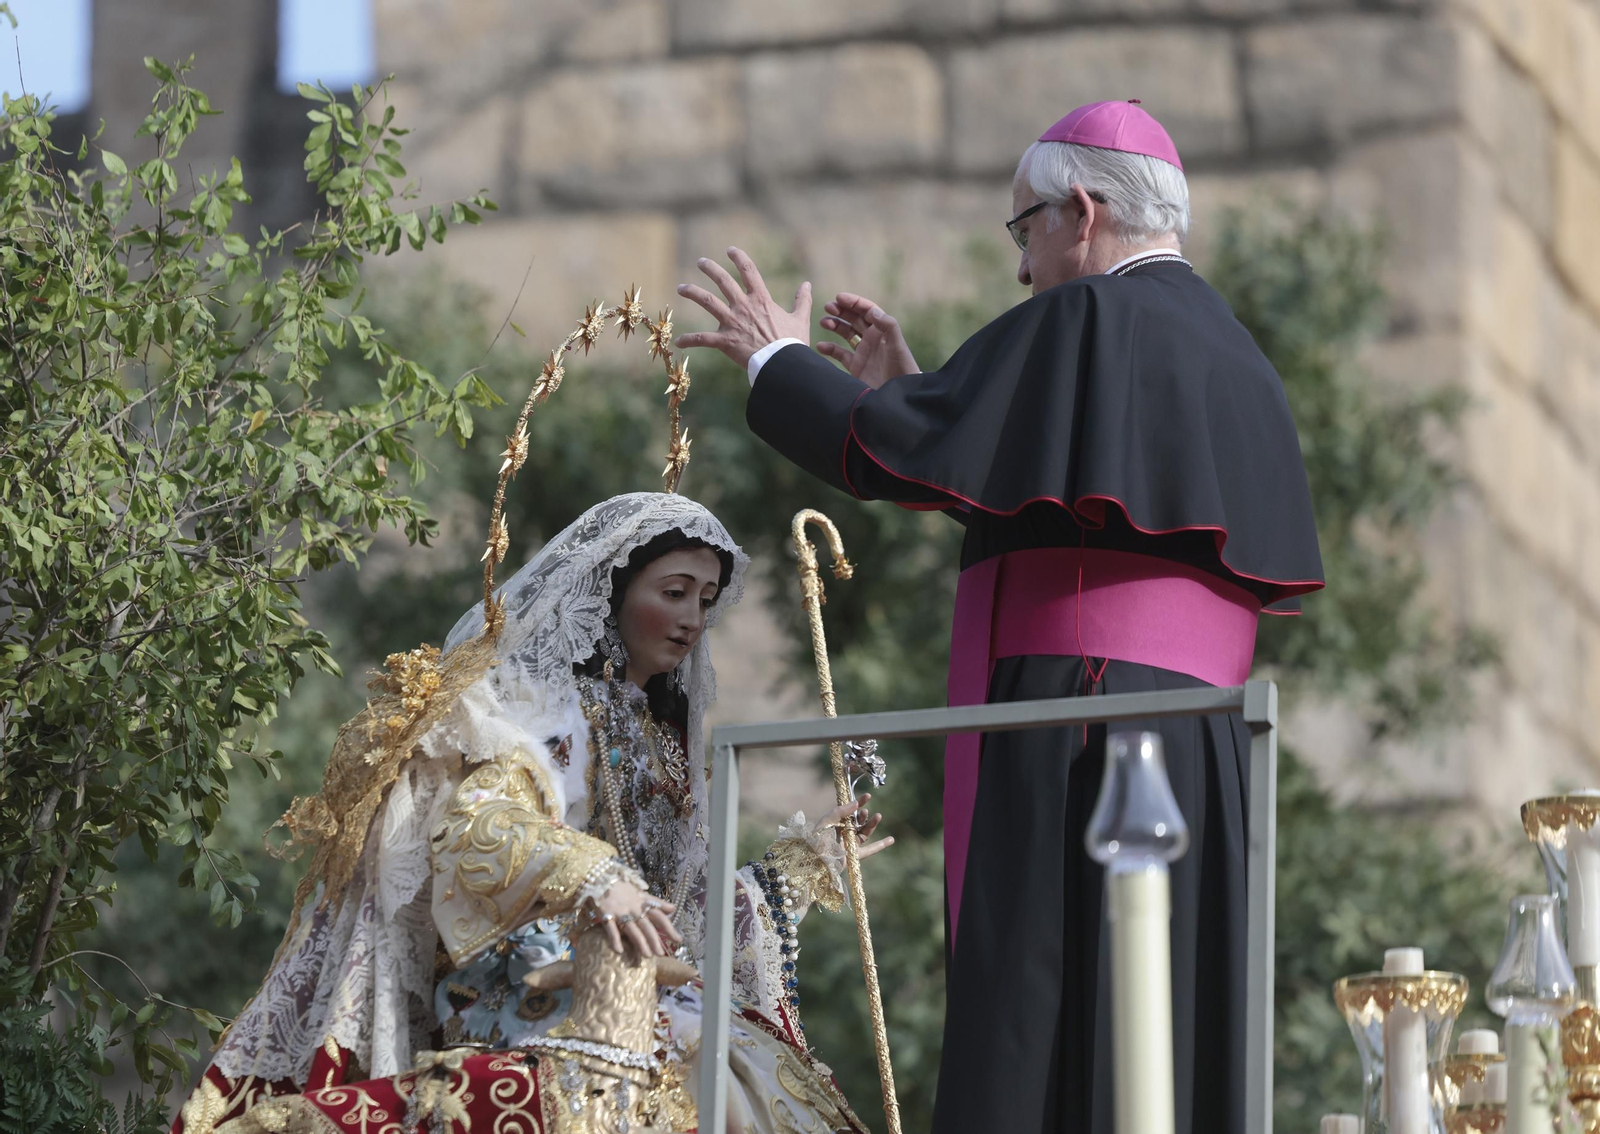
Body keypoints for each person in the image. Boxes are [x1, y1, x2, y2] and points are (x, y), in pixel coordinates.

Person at [674, 101, 1325, 1134]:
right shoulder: (1240, 358)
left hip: (1076, 731)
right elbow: (1062, 495)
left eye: (1022, 232)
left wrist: (775, 361)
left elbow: (883, 448)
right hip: (1201, 750)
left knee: (1051, 1025)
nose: (1022, 270)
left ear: (1077, 211)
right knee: (1166, 1035)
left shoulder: (1088, 317)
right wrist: (924, 398)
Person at [173, 492, 890, 1134]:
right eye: (673, 592)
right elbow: (478, 825)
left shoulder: (665, 747)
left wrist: (799, 867)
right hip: (524, 979)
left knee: (751, 1073)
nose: (691, 619)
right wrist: (591, 875)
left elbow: (682, 912)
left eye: (705, 599)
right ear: (612, 592)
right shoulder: (538, 710)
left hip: (639, 980)